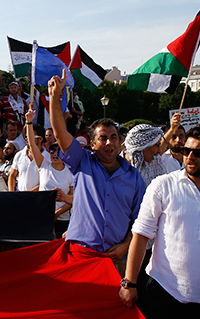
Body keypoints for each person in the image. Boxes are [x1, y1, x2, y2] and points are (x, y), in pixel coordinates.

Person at [120, 123, 200, 319]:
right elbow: (140, 236)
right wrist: (129, 283)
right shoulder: (162, 186)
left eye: (199, 153)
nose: (189, 157)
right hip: (163, 292)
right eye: (186, 150)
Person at [49, 69, 146, 274]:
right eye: (103, 138)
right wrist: (55, 98)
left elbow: (140, 221)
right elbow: (60, 133)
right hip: (81, 255)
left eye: (114, 137)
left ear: (121, 143)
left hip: (117, 258)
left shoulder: (134, 177)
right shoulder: (81, 162)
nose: (109, 142)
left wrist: (125, 247)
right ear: (92, 144)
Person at [26, 108, 74, 238]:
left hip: (62, 219)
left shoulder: (71, 173)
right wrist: (29, 123)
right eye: (52, 151)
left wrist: (58, 213)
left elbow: (73, 198)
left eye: (58, 151)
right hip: (42, 215)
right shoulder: (44, 165)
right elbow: (32, 144)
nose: (54, 154)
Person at [8, 118, 47, 192]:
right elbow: (12, 176)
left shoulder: (47, 158)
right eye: (26, 136)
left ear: (40, 139)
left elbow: (45, 182)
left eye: (31, 136)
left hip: (37, 199)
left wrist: (28, 195)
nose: (27, 139)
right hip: (19, 198)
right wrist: (12, 193)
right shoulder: (19, 155)